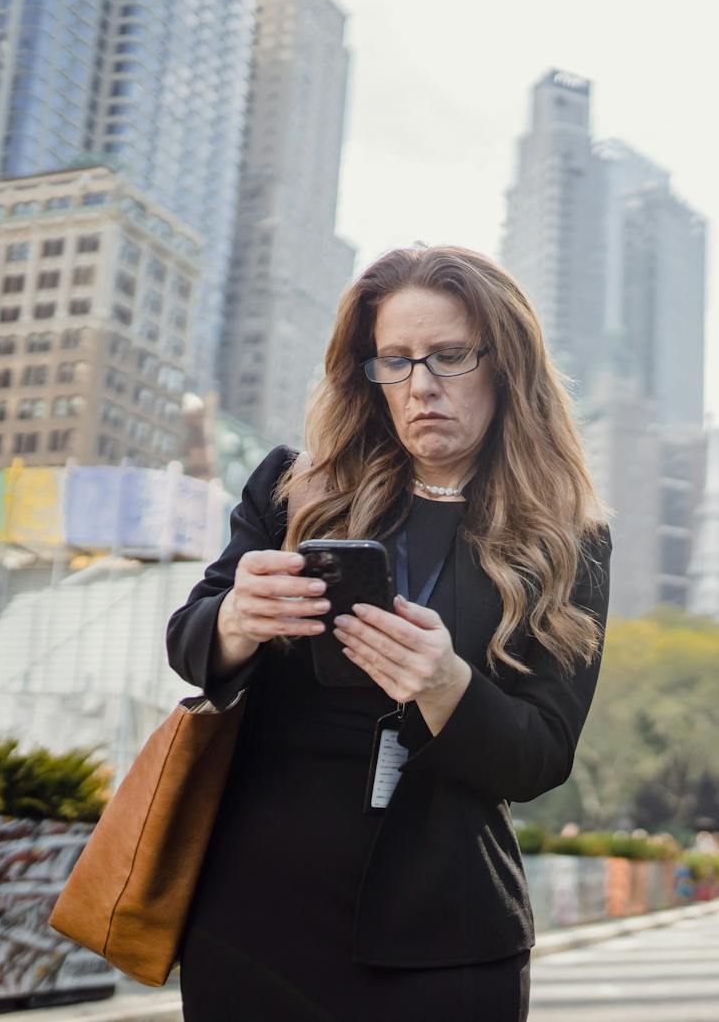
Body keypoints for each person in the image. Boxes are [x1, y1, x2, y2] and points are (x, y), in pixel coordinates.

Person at [166, 245, 614, 1020]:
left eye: (449, 357)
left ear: (506, 366)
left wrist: (447, 685)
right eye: (396, 361)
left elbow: (541, 757)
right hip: (256, 916)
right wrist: (236, 619)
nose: (422, 386)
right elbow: (190, 643)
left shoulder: (567, 540)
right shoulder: (292, 488)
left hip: (449, 934)